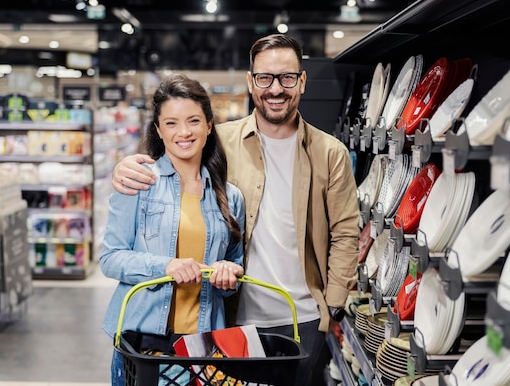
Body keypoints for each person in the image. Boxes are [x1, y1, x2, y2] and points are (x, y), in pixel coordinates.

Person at [112, 34, 360, 386]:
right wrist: (125, 168)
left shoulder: (329, 152)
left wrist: (332, 307)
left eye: (287, 77)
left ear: (302, 81)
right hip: (232, 317)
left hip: (303, 318)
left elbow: (347, 232)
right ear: (251, 81)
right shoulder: (220, 141)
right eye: (265, 78)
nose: (276, 88)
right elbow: (171, 159)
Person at [100, 73, 246, 386]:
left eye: (193, 121)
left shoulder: (231, 197)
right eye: (171, 123)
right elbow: (111, 258)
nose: (183, 132)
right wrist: (166, 266)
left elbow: (235, 269)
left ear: (209, 125)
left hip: (203, 346)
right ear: (158, 129)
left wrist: (226, 274)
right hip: (143, 343)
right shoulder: (138, 182)